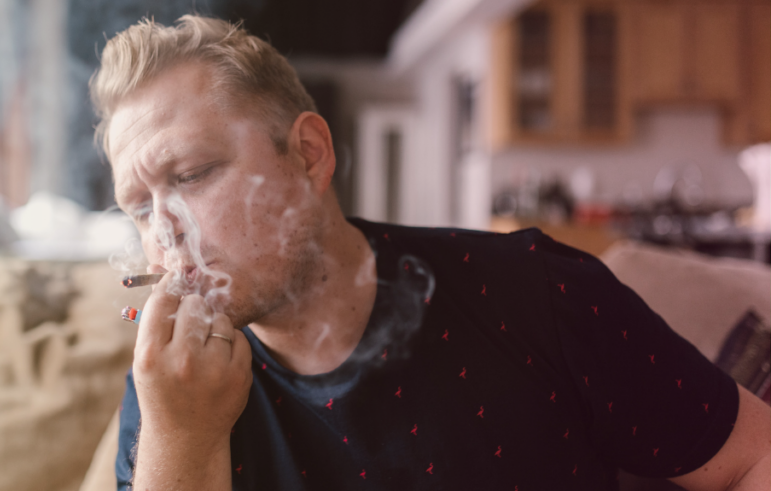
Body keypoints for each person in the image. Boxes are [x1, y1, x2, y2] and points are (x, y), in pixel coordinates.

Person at [90, 14, 770, 491]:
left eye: (192, 175)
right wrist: (182, 439)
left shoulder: (536, 291)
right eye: (140, 206)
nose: (166, 230)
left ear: (308, 154)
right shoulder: (172, 386)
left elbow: (752, 458)